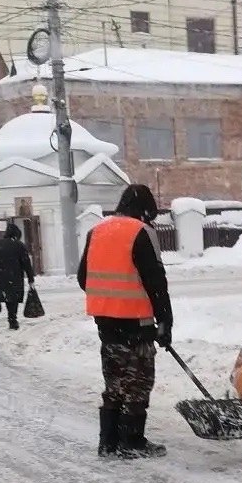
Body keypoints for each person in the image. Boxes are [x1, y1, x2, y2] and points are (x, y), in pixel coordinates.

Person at [77, 184, 173, 459]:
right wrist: (165, 322)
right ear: (146, 211)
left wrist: (108, 301)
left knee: (115, 383)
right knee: (138, 383)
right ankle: (131, 441)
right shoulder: (141, 232)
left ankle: (108, 442)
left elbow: (83, 277)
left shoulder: (97, 231)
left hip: (106, 324)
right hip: (136, 324)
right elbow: (156, 284)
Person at [0, 220, 35, 329]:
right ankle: (12, 318)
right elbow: (26, 263)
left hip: (2, 276)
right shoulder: (19, 245)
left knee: (7, 297)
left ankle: (11, 317)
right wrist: (30, 278)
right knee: (14, 298)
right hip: (16, 275)